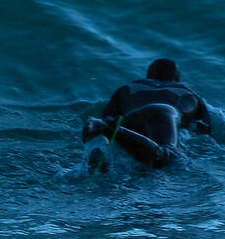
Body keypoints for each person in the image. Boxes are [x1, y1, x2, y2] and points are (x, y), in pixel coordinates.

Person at [83, 57, 214, 171]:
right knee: (167, 156)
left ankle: (105, 144)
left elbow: (108, 118)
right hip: (163, 113)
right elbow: (204, 132)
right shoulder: (188, 92)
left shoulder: (126, 88)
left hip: (132, 117)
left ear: (148, 76)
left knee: (112, 137)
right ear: (176, 79)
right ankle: (112, 131)